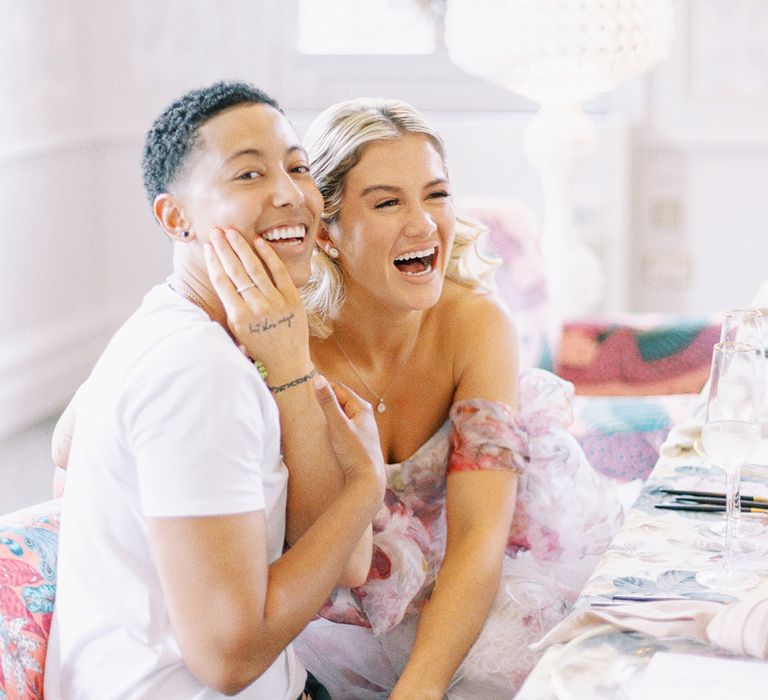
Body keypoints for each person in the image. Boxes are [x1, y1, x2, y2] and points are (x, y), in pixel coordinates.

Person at [44, 81, 385, 700]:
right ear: (177, 219)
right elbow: (228, 661)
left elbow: (345, 562)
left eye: (296, 167)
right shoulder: (198, 368)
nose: (290, 193)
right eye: (248, 175)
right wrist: (366, 487)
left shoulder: (185, 322)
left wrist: (290, 371)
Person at [284, 98, 624, 699]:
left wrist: (418, 690)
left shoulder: (475, 325)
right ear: (327, 231)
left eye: (436, 194)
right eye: (388, 202)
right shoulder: (291, 351)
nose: (423, 224)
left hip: (485, 580)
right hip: (344, 611)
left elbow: (477, 541)